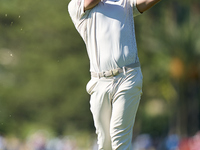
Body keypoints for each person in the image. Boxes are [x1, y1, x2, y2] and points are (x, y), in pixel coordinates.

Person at [68, 0, 160, 149]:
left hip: (128, 76)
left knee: (119, 139)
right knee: (105, 143)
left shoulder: (123, 2)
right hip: (99, 83)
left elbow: (144, 3)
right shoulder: (76, 6)